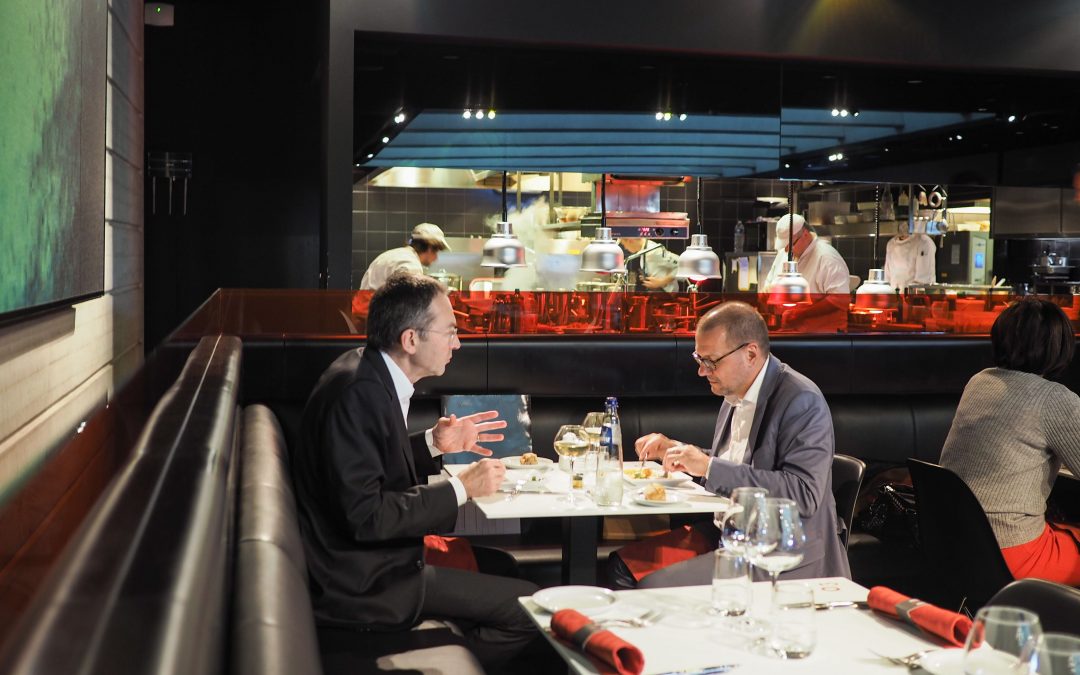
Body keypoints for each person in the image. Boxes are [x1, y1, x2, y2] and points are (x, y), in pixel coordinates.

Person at [291, 271, 538, 667]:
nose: (457, 343)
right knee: (531, 613)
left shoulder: (367, 371)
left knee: (503, 565)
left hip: (371, 563)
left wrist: (432, 444)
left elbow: (363, 462)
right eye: (450, 332)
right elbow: (366, 516)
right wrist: (461, 488)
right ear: (410, 340)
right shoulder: (359, 393)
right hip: (363, 583)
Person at [609, 301, 850, 588]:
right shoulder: (735, 392)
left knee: (653, 585)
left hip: (778, 551)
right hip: (728, 533)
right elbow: (738, 464)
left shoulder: (800, 400)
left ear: (750, 353)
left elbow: (803, 493)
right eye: (699, 360)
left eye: (711, 361)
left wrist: (708, 466)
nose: (702, 371)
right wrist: (678, 450)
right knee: (621, 566)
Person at [940, 298, 1080, 585]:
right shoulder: (1054, 398)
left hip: (953, 542)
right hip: (1010, 552)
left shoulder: (979, 381)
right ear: (1060, 346)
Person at [762, 214, 850, 332]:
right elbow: (770, 285)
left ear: (805, 234)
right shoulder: (784, 254)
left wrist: (800, 314)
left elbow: (840, 300)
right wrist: (766, 294)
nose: (787, 250)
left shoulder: (827, 257)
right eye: (784, 246)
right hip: (791, 332)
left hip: (823, 339)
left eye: (791, 245)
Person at [359, 222, 451, 290]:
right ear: (430, 248)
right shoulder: (410, 265)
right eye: (437, 252)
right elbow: (408, 301)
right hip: (373, 313)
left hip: (363, 310)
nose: (436, 259)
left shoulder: (396, 254)